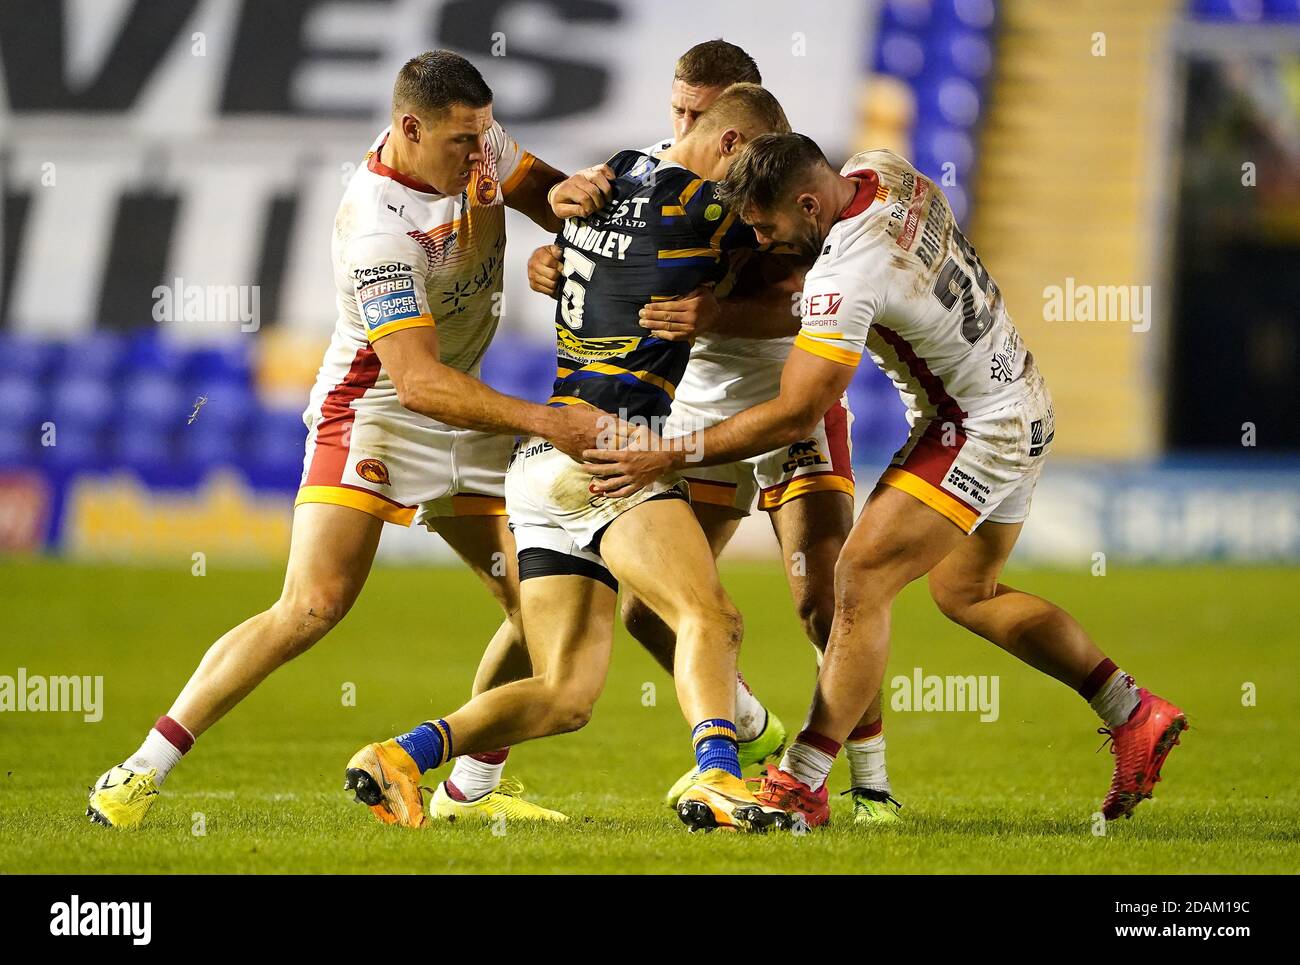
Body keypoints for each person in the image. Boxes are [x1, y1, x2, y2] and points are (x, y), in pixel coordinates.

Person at [581, 133, 1189, 826]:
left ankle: (802, 781)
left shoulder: (846, 272)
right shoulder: (883, 167)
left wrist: (669, 452)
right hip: (1023, 391)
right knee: (967, 591)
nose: (763, 239)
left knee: (859, 580)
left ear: (810, 203)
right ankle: (1132, 710)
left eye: (767, 225)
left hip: (976, 424)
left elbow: (795, 413)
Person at [86, 50, 609, 829]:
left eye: (485, 136)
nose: (481, 155)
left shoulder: (479, 143)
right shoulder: (377, 225)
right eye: (464, 142)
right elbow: (419, 383)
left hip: (468, 409)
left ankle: (469, 786)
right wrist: (543, 419)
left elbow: (544, 196)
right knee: (312, 604)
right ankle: (136, 772)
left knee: (536, 610)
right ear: (408, 128)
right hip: (380, 411)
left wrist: (560, 231)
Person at [345, 84, 802, 833]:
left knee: (564, 693)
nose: (756, 192)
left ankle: (403, 753)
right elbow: (803, 253)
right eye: (752, 168)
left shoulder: (608, 175)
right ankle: (721, 773)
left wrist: (552, 256)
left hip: (541, 460)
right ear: (730, 148)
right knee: (709, 616)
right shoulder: (709, 210)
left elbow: (585, 232)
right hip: (609, 447)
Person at [526, 39, 899, 823]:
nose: (682, 128)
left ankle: (870, 788)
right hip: (696, 407)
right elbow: (597, 254)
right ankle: (752, 735)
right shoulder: (648, 170)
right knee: (646, 610)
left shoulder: (782, 185)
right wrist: (552, 253)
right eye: (677, 110)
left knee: (824, 603)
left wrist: (720, 312)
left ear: (740, 119)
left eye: (700, 115)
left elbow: (809, 301)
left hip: (786, 402)